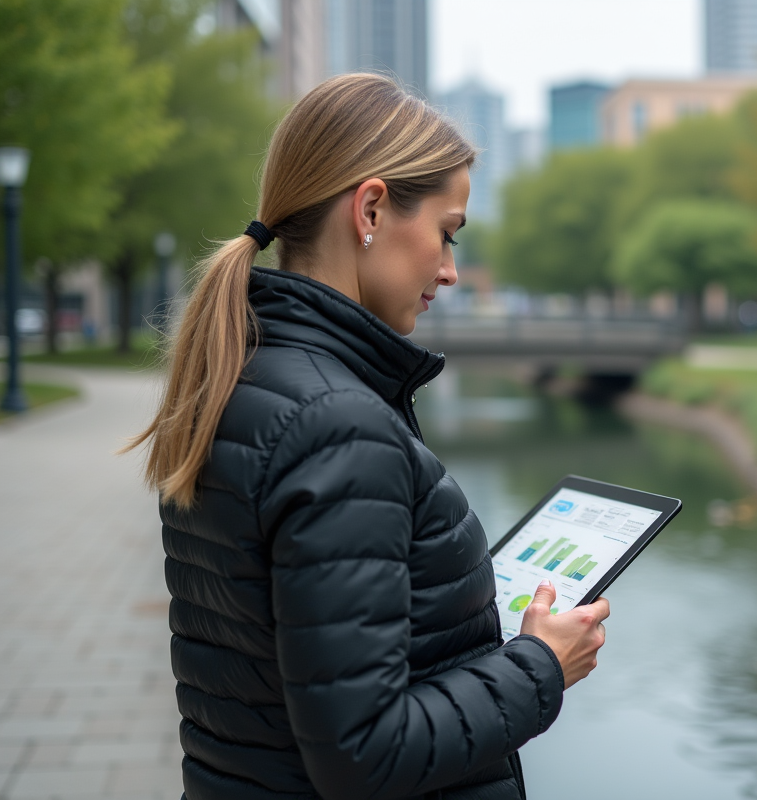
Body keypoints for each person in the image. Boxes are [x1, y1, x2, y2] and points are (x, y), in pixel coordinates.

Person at [124, 74, 609, 800]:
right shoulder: (337, 427)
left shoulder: (241, 378)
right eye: (447, 233)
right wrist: (540, 664)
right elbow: (365, 756)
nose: (450, 271)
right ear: (372, 209)